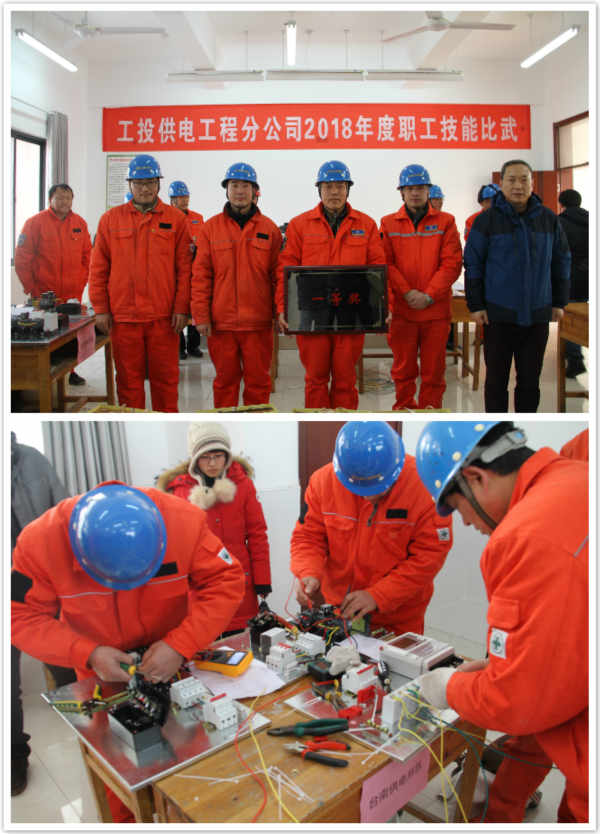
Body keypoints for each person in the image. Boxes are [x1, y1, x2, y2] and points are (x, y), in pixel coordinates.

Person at [11, 481, 245, 822]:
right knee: (119, 770)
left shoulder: (183, 522)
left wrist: (180, 644)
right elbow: (18, 617)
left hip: (173, 659)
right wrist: (88, 653)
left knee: (193, 763)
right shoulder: (40, 542)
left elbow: (226, 580)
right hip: (98, 671)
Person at [415, 421, 588, 823]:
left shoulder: (522, 536)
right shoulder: (578, 477)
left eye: (457, 507)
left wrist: (451, 687)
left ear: (476, 477)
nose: (465, 522)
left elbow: (517, 701)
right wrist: (497, 666)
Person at [291, 421, 452, 634]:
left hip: (398, 618)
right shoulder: (322, 482)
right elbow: (307, 537)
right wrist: (308, 571)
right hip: (338, 613)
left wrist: (379, 595)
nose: (368, 496)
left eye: (379, 487)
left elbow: (428, 556)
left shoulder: (425, 486)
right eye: (359, 488)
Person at [464, 159, 571, 412]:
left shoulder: (548, 219)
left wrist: (559, 301)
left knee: (530, 382)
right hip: (498, 315)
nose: (518, 186)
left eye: (524, 179)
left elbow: (561, 260)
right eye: (511, 180)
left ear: (532, 183)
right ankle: (496, 427)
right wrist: (476, 304)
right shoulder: (486, 221)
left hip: (537, 315)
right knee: (496, 382)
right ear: (501, 183)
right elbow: (473, 263)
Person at [88, 154, 193, 412]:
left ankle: (166, 424)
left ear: (158, 184)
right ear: (130, 185)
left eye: (150, 182)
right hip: (124, 317)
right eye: (139, 183)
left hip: (163, 318)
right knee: (128, 383)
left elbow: (185, 269)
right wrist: (100, 308)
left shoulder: (176, 220)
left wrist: (182, 308)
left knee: (165, 382)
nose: (144, 189)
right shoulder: (110, 220)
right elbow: (98, 269)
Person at [278, 161, 385, 409]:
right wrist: (283, 308)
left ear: (348, 189)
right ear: (319, 190)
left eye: (340, 186)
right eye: (328, 187)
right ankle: (318, 420)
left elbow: (378, 269)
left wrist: (383, 308)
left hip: (351, 315)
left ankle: (342, 423)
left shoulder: (366, 225)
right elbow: (285, 270)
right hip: (312, 315)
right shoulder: (300, 225)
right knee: (315, 380)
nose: (334, 192)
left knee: (345, 381)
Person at [157, 422, 272, 635]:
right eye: (205, 457)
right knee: (205, 642)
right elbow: (174, 547)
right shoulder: (179, 491)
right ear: (195, 458)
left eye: (218, 456)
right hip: (200, 587)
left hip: (240, 583)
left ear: (226, 456)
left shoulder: (243, 484)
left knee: (242, 645)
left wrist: (263, 580)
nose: (212, 463)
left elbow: (257, 534)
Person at [10, 432, 76, 796]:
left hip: (44, 581)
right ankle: (14, 756)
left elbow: (64, 512)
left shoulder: (32, 458)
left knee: (65, 659)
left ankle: (87, 725)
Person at [191, 163, 282, 407]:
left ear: (255, 191)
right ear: (227, 190)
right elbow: (201, 275)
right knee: (224, 383)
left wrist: (280, 313)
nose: (239, 191)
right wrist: (201, 315)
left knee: (259, 384)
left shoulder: (270, 229)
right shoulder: (210, 229)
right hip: (222, 324)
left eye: (245, 186)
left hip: (258, 324)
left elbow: (278, 277)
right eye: (234, 185)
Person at [380, 164, 462, 410]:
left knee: (433, 371)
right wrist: (407, 292)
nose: (415, 193)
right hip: (402, 312)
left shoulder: (446, 222)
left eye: (420, 188)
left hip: (435, 312)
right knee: (403, 370)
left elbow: (452, 263)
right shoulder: (388, 223)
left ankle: (430, 410)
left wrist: (428, 295)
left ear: (428, 191)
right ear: (402, 192)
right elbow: (385, 264)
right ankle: (404, 408)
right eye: (410, 189)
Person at [14, 183, 92, 386]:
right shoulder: (35, 223)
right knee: (46, 333)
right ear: (50, 199)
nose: (64, 201)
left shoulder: (79, 223)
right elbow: (22, 259)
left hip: (72, 293)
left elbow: (88, 256)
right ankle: (46, 374)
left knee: (71, 333)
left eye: (68, 198)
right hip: (44, 294)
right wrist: (31, 288)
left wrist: (81, 282)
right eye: (60, 197)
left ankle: (71, 370)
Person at [168, 180, 205, 361]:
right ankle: (179, 347)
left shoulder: (198, 217)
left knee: (195, 308)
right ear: (172, 200)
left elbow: (203, 240)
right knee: (177, 309)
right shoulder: (167, 218)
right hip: (174, 271)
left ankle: (193, 345)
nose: (184, 200)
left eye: (186, 197)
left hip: (195, 270)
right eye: (180, 197)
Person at [558, 189, 589, 378]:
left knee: (570, 316)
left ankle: (575, 359)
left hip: (570, 276)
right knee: (585, 313)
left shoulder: (560, 223)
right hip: (590, 275)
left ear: (561, 204)